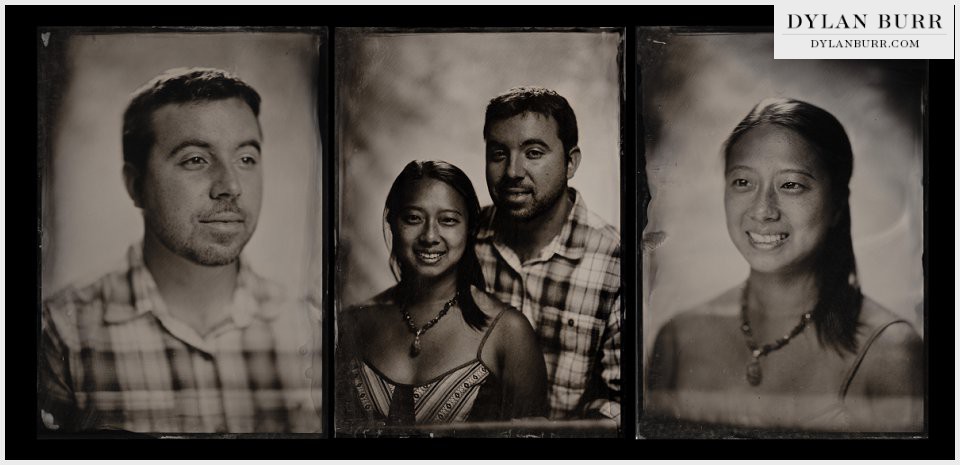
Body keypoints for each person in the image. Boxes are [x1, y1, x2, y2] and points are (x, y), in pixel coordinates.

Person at [39, 68, 321, 433]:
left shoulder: (310, 332)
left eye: (246, 159)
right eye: (195, 160)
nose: (231, 186)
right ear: (136, 185)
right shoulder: (62, 338)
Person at [646, 98, 924, 432]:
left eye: (791, 184)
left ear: (837, 203)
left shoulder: (891, 351)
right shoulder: (678, 338)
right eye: (743, 182)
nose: (763, 210)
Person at [336, 160, 548, 429]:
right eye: (413, 218)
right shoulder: (352, 322)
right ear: (392, 222)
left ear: (470, 229)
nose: (430, 236)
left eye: (448, 220)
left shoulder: (509, 332)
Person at [475, 87, 622, 425]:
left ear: (570, 162)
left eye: (534, 152)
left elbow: (621, 404)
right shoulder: (464, 239)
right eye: (498, 153)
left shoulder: (614, 262)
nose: (512, 171)